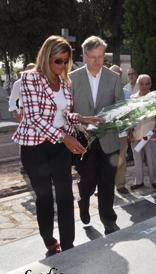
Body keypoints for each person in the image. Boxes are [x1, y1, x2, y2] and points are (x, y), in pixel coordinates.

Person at [12, 35, 102, 256]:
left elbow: (62, 114)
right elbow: (33, 117)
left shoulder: (64, 82)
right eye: (57, 61)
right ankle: (49, 240)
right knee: (44, 197)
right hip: (35, 148)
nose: (62, 66)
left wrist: (81, 118)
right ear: (46, 57)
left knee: (65, 195)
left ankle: (69, 245)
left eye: (65, 61)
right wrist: (65, 138)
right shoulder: (29, 79)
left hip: (60, 146)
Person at [69, 35, 124, 235]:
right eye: (93, 57)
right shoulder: (72, 78)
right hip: (84, 140)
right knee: (89, 180)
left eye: (100, 56)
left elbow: (120, 106)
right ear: (84, 56)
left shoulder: (114, 78)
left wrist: (111, 118)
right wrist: (79, 124)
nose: (97, 61)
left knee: (107, 182)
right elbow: (68, 109)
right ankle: (84, 200)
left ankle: (109, 220)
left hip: (108, 139)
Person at [129, 74, 156, 190]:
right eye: (142, 84)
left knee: (152, 159)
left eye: (147, 84)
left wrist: (154, 130)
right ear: (138, 84)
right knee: (137, 159)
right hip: (136, 134)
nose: (144, 86)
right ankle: (139, 181)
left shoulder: (155, 98)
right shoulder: (132, 98)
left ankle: (154, 180)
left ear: (150, 84)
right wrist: (129, 132)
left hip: (149, 134)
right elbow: (129, 117)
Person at [109, 64, 129, 194]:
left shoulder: (126, 92)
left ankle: (120, 184)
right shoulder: (102, 91)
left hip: (121, 132)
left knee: (121, 159)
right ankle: (103, 186)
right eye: (113, 74)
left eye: (118, 74)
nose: (116, 76)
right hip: (106, 133)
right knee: (104, 160)